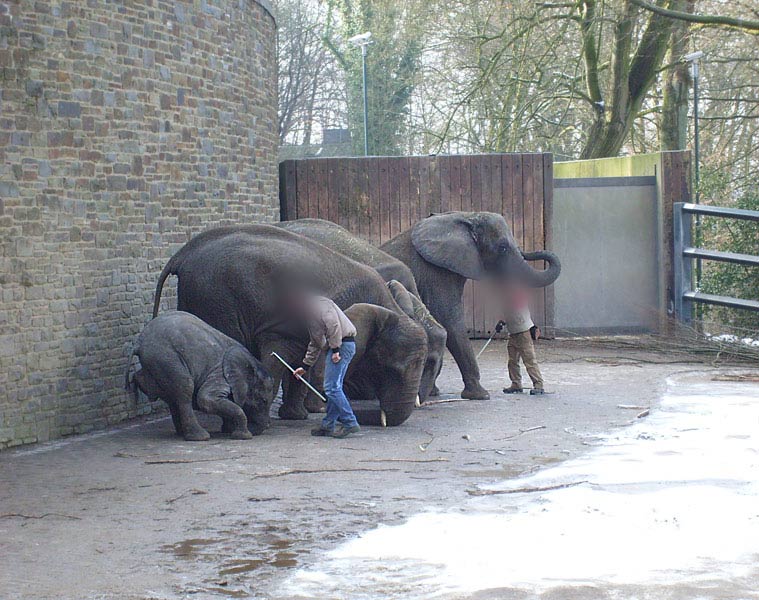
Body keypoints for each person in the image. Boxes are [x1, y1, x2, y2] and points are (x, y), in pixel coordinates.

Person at [292, 295, 361, 438]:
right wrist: (305, 366)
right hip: (341, 346)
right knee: (335, 387)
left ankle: (350, 422)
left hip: (342, 345)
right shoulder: (310, 315)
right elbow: (316, 342)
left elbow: (333, 323)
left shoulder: (319, 304)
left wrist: (335, 349)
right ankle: (328, 425)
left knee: (331, 388)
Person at [498, 286, 545, 395]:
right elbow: (507, 313)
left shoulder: (518, 294)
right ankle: (516, 384)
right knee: (512, 361)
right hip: (513, 333)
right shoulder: (506, 298)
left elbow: (518, 306)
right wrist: (501, 322)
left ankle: (538, 384)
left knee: (529, 360)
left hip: (523, 332)